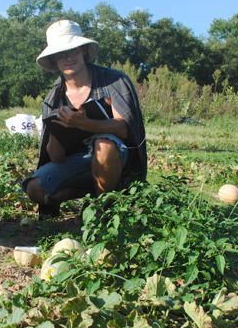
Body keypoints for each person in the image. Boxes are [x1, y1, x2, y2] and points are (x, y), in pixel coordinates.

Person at [22, 19, 147, 217]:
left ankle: (103, 211)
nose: (68, 58)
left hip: (116, 158)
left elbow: (124, 128)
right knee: (35, 188)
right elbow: (56, 158)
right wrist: (57, 130)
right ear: (54, 60)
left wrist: (84, 123)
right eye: (61, 54)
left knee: (104, 145)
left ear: (84, 51)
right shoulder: (53, 99)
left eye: (72, 50)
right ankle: (90, 194)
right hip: (77, 163)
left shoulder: (113, 81)